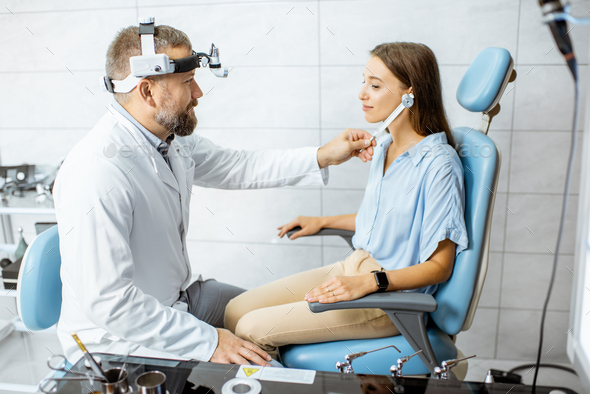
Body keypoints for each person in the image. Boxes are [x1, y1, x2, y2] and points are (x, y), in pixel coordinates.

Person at [53, 24, 377, 366]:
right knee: (268, 367)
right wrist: (209, 341)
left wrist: (324, 155)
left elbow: (239, 167)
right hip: (121, 340)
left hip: (175, 300)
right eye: (187, 82)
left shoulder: (165, 140)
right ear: (147, 91)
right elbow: (111, 304)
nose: (198, 93)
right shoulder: (97, 171)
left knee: (277, 322)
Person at [224, 42, 469, 353]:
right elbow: (387, 222)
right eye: (364, 81)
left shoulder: (439, 164)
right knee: (234, 311)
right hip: (353, 267)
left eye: (375, 85)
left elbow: (439, 266)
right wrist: (322, 221)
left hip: (388, 298)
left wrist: (370, 282)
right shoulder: (384, 146)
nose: (362, 94)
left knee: (250, 329)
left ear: (410, 93)